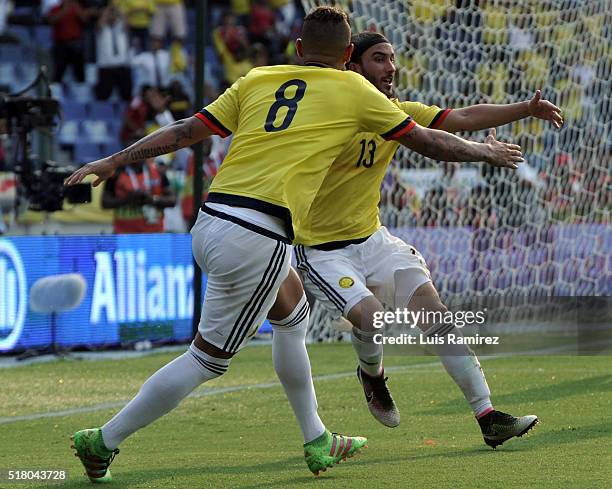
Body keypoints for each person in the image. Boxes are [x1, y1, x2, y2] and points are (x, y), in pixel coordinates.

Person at [65, 7, 523, 482]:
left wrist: (115, 161)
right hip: (258, 234)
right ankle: (103, 441)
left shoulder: (258, 78)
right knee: (206, 359)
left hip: (213, 217)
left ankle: (316, 437)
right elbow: (430, 142)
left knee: (292, 312)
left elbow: (185, 132)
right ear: (348, 56)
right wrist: (486, 152)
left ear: (299, 49)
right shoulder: (355, 89)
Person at [292, 31, 562, 447]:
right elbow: (439, 145)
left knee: (437, 316)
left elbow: (465, 118)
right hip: (325, 252)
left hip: (374, 240)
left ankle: (487, 415)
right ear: (353, 64)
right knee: (369, 319)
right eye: (379, 59)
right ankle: (372, 375)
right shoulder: (326, 112)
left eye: (392, 59)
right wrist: (482, 152)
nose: (390, 67)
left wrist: (524, 108)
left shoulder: (394, 112)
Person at [102, 159, 176, 233]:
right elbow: (105, 203)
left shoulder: (158, 172)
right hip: (125, 234)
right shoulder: (116, 174)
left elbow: (172, 201)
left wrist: (152, 199)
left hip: (155, 234)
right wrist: (127, 199)